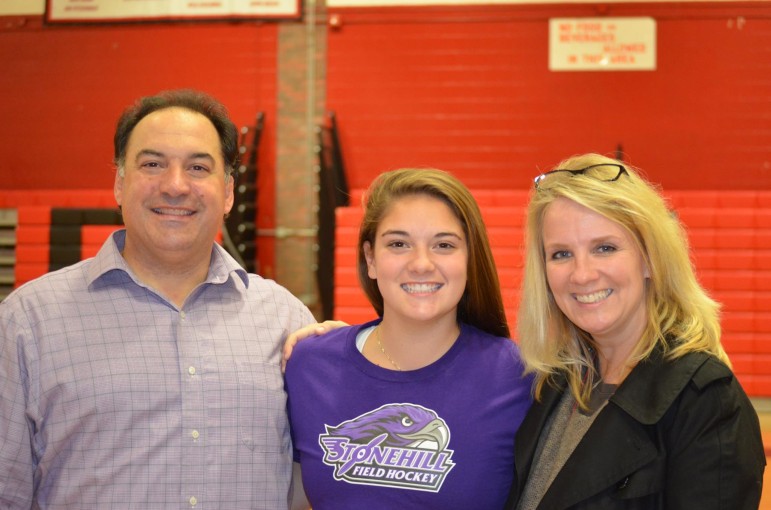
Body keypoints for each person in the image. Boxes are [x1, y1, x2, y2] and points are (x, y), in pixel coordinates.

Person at [0, 89, 315, 508]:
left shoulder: (287, 321)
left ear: (227, 193)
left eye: (198, 167)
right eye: (152, 164)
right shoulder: (29, 321)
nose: (175, 185)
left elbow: (317, 481)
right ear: (119, 183)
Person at [505, 153, 765, 509]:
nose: (582, 274)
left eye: (605, 248)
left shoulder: (705, 401)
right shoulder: (556, 383)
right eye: (561, 254)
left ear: (649, 258)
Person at [284, 168, 533, 509]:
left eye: (443, 245)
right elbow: (294, 498)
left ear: (469, 258)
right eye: (398, 244)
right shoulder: (310, 365)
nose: (421, 264)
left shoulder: (520, 377)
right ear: (370, 258)